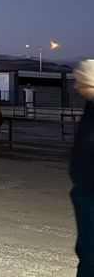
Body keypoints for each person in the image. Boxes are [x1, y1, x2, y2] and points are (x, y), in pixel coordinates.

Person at [71, 59, 94, 276]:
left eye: (80, 81)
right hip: (84, 190)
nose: (76, 86)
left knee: (90, 252)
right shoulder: (90, 106)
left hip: (90, 192)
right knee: (86, 250)